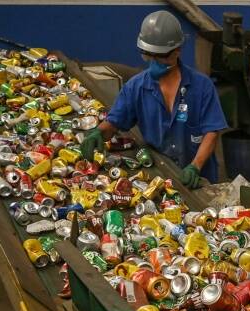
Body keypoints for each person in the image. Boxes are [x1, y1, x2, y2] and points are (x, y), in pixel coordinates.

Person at [81, 10, 228, 189]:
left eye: (163, 56)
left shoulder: (202, 87)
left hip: (199, 178)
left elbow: (212, 132)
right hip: (160, 175)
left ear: (178, 50)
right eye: (151, 55)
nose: (156, 61)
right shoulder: (136, 88)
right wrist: (98, 133)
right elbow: (114, 122)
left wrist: (195, 166)